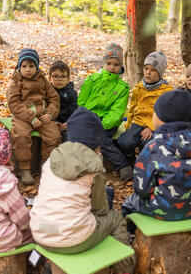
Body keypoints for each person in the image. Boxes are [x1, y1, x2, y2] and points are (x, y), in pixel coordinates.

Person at [30, 107, 135, 273]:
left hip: (40, 233)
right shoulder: (94, 164)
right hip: (75, 239)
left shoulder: (53, 157)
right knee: (115, 218)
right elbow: (100, 209)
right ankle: (126, 267)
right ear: (96, 143)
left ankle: (45, 267)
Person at [122, 90, 191, 221]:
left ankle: (130, 235)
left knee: (129, 203)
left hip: (163, 209)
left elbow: (141, 189)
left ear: (161, 118)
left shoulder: (153, 147)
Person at [6, 48, 61, 185]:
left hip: (42, 115)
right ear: (19, 66)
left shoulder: (42, 80)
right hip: (23, 116)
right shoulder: (16, 81)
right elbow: (14, 103)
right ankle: (25, 168)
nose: (28, 69)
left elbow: (54, 98)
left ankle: (46, 168)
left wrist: (49, 113)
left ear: (37, 67)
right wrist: (30, 117)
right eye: (24, 66)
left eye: (31, 66)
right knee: (22, 135)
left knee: (54, 136)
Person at [116, 51, 173, 180]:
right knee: (125, 142)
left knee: (148, 143)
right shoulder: (139, 87)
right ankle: (131, 161)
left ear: (160, 73)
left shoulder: (166, 91)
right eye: (146, 68)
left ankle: (144, 167)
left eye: (153, 70)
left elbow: (166, 115)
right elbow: (133, 108)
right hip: (138, 122)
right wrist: (129, 125)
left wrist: (153, 128)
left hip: (154, 124)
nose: (148, 72)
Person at [78, 43, 130, 179]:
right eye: (109, 63)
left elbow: (116, 112)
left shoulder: (122, 87)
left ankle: (123, 166)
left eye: (116, 65)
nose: (112, 67)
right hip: (88, 119)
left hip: (106, 123)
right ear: (103, 64)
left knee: (101, 139)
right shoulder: (91, 80)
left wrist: (102, 125)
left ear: (121, 68)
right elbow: (81, 103)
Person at [48, 60, 78, 142]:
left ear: (68, 79)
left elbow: (74, 110)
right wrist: (53, 123)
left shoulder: (71, 93)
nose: (59, 79)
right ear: (49, 78)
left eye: (63, 76)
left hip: (66, 123)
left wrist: (69, 123)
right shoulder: (47, 92)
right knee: (50, 138)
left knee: (69, 137)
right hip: (50, 123)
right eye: (56, 76)